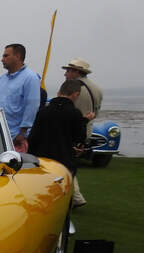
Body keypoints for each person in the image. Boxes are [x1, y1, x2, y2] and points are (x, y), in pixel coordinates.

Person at [62, 58, 102, 207]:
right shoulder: (97, 89)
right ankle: (76, 197)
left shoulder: (73, 89)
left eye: (68, 71)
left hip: (73, 129)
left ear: (76, 72)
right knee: (70, 162)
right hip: (87, 129)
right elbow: (96, 111)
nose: (66, 74)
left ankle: (76, 197)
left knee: (66, 162)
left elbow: (67, 110)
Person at [28, 79, 87, 180]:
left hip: (43, 160)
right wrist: (85, 121)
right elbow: (80, 138)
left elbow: (33, 137)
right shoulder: (75, 114)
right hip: (65, 161)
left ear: (59, 92)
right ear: (76, 94)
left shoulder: (43, 111)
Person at [0, 44, 40, 152]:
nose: (2, 59)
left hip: (14, 138)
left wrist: (22, 133)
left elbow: (32, 106)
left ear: (17, 56)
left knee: (12, 168)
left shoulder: (30, 78)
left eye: (6, 56)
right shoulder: (2, 79)